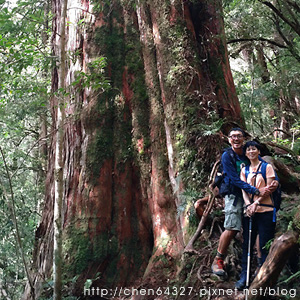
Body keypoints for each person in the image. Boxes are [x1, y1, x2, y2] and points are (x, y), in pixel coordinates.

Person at [211, 128, 270, 277]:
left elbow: (261, 163)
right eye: (233, 137)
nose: (236, 139)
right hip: (234, 194)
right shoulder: (227, 156)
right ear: (229, 139)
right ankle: (218, 260)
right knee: (232, 227)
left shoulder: (247, 151)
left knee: (255, 225)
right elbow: (234, 179)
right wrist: (255, 190)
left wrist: (270, 180)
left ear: (243, 138)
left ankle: (259, 262)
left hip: (250, 195)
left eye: (239, 136)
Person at [235, 141, 278, 289]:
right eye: (248, 150)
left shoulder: (267, 167)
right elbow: (244, 189)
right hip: (250, 212)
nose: (251, 152)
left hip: (265, 210)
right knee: (247, 244)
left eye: (253, 149)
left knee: (265, 244)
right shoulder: (244, 170)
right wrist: (248, 204)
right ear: (245, 153)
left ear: (258, 151)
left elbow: (269, 188)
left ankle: (265, 278)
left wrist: (256, 203)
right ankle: (244, 277)